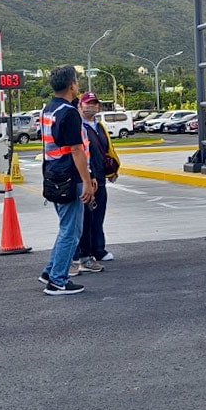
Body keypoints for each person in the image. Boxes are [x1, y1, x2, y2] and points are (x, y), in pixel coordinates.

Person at [37, 65, 97, 296]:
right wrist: (87, 180)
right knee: (71, 231)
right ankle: (58, 281)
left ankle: (50, 271)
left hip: (53, 175)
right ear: (72, 84)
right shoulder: (68, 112)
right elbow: (76, 150)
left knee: (66, 228)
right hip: (69, 177)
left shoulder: (48, 109)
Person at [72, 91, 120, 273]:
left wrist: (113, 170)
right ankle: (83, 254)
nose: (91, 106)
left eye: (94, 103)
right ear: (80, 106)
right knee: (85, 219)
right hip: (87, 179)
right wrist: (87, 177)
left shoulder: (100, 126)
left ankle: (98, 249)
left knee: (98, 216)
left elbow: (108, 149)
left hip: (100, 178)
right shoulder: (78, 127)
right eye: (87, 103)